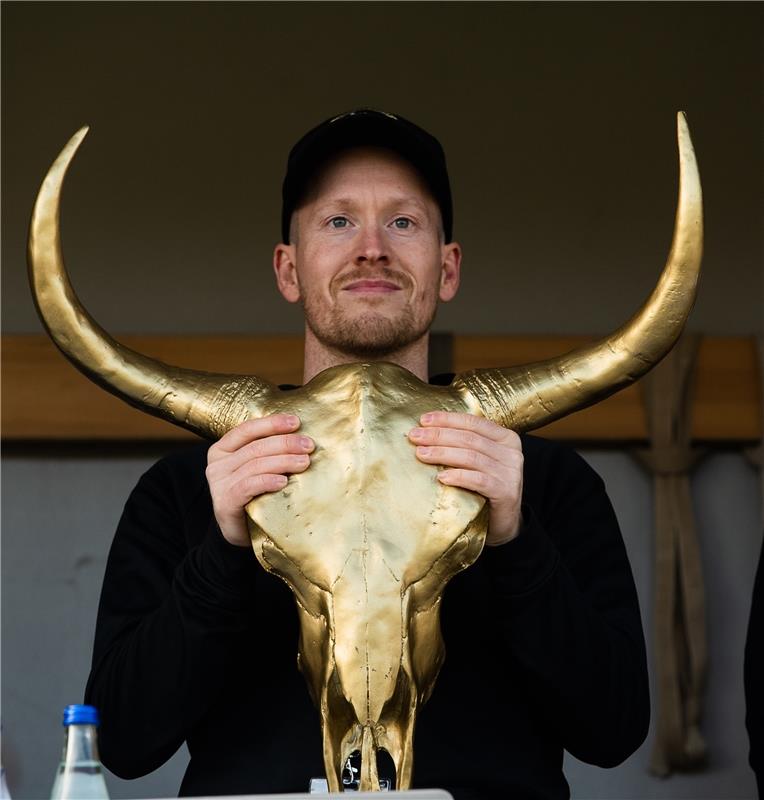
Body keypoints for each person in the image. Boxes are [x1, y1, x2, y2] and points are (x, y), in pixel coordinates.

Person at [85, 109, 650, 799]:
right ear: (288, 269)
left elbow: (614, 730)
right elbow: (121, 742)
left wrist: (515, 542)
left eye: (404, 222)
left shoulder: (547, 481)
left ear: (448, 269)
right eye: (338, 221)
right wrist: (223, 550)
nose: (373, 248)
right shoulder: (188, 488)